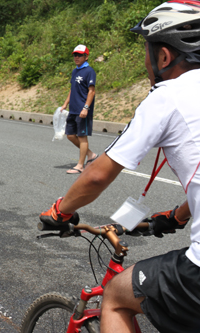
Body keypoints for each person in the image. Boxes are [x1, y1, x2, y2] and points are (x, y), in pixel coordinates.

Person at [40, 1, 200, 332]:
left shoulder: (167, 96)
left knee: (115, 295)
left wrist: (60, 211)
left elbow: (98, 175)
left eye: (147, 50)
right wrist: (176, 216)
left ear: (164, 57)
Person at [61, 44, 98, 174]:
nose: (76, 57)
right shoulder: (75, 71)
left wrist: (86, 108)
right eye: (75, 55)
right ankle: (91, 155)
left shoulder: (89, 71)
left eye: (79, 55)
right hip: (73, 109)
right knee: (70, 135)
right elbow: (73, 89)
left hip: (83, 110)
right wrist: (65, 103)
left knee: (82, 137)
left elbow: (91, 91)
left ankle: (80, 166)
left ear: (86, 56)